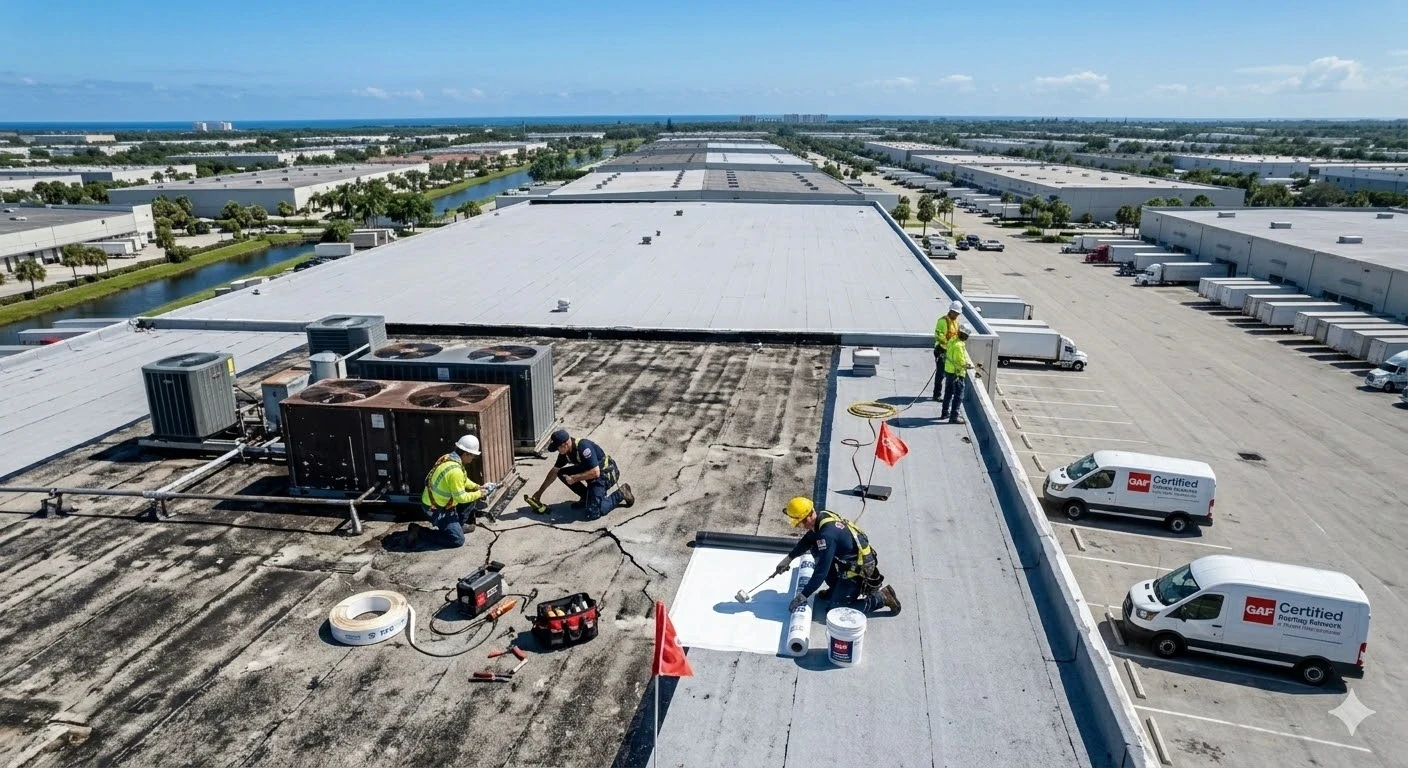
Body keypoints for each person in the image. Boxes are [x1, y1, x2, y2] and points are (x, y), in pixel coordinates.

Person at [774, 497, 900, 615]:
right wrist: (788, 559)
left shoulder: (827, 535)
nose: (799, 527)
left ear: (807, 518)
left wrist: (803, 595)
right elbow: (808, 539)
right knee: (816, 548)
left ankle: (882, 598)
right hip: (848, 561)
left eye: (799, 524)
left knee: (835, 610)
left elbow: (821, 572)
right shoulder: (822, 516)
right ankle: (837, 589)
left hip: (857, 571)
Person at [407, 434, 497, 549]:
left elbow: (464, 481)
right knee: (457, 540)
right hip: (435, 508)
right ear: (466, 454)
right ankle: (419, 531)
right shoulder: (455, 471)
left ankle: (456, 526)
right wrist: (480, 493)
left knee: (472, 496)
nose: (472, 459)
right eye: (472, 456)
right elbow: (461, 498)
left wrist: (477, 487)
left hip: (440, 503)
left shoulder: (449, 458)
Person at [529, 429, 634, 520]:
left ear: (565, 444)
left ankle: (621, 493)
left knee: (593, 512)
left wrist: (575, 478)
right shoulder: (565, 453)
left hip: (605, 474)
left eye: (557, 448)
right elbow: (554, 472)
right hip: (591, 473)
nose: (558, 451)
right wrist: (539, 492)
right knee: (562, 473)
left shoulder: (584, 447)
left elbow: (595, 472)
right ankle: (587, 498)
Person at [939, 323, 973, 425]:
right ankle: (954, 416)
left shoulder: (952, 340)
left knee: (948, 393)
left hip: (949, 371)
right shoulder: (959, 346)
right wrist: (968, 365)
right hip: (956, 374)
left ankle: (945, 413)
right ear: (965, 335)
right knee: (958, 395)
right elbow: (960, 361)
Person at [933, 300, 963, 402]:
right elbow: (938, 335)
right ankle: (937, 394)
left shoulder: (955, 323)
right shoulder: (942, 321)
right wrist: (948, 343)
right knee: (940, 374)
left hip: (949, 351)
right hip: (941, 350)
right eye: (956, 313)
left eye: (958, 314)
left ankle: (948, 392)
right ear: (951, 311)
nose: (956, 315)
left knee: (949, 373)